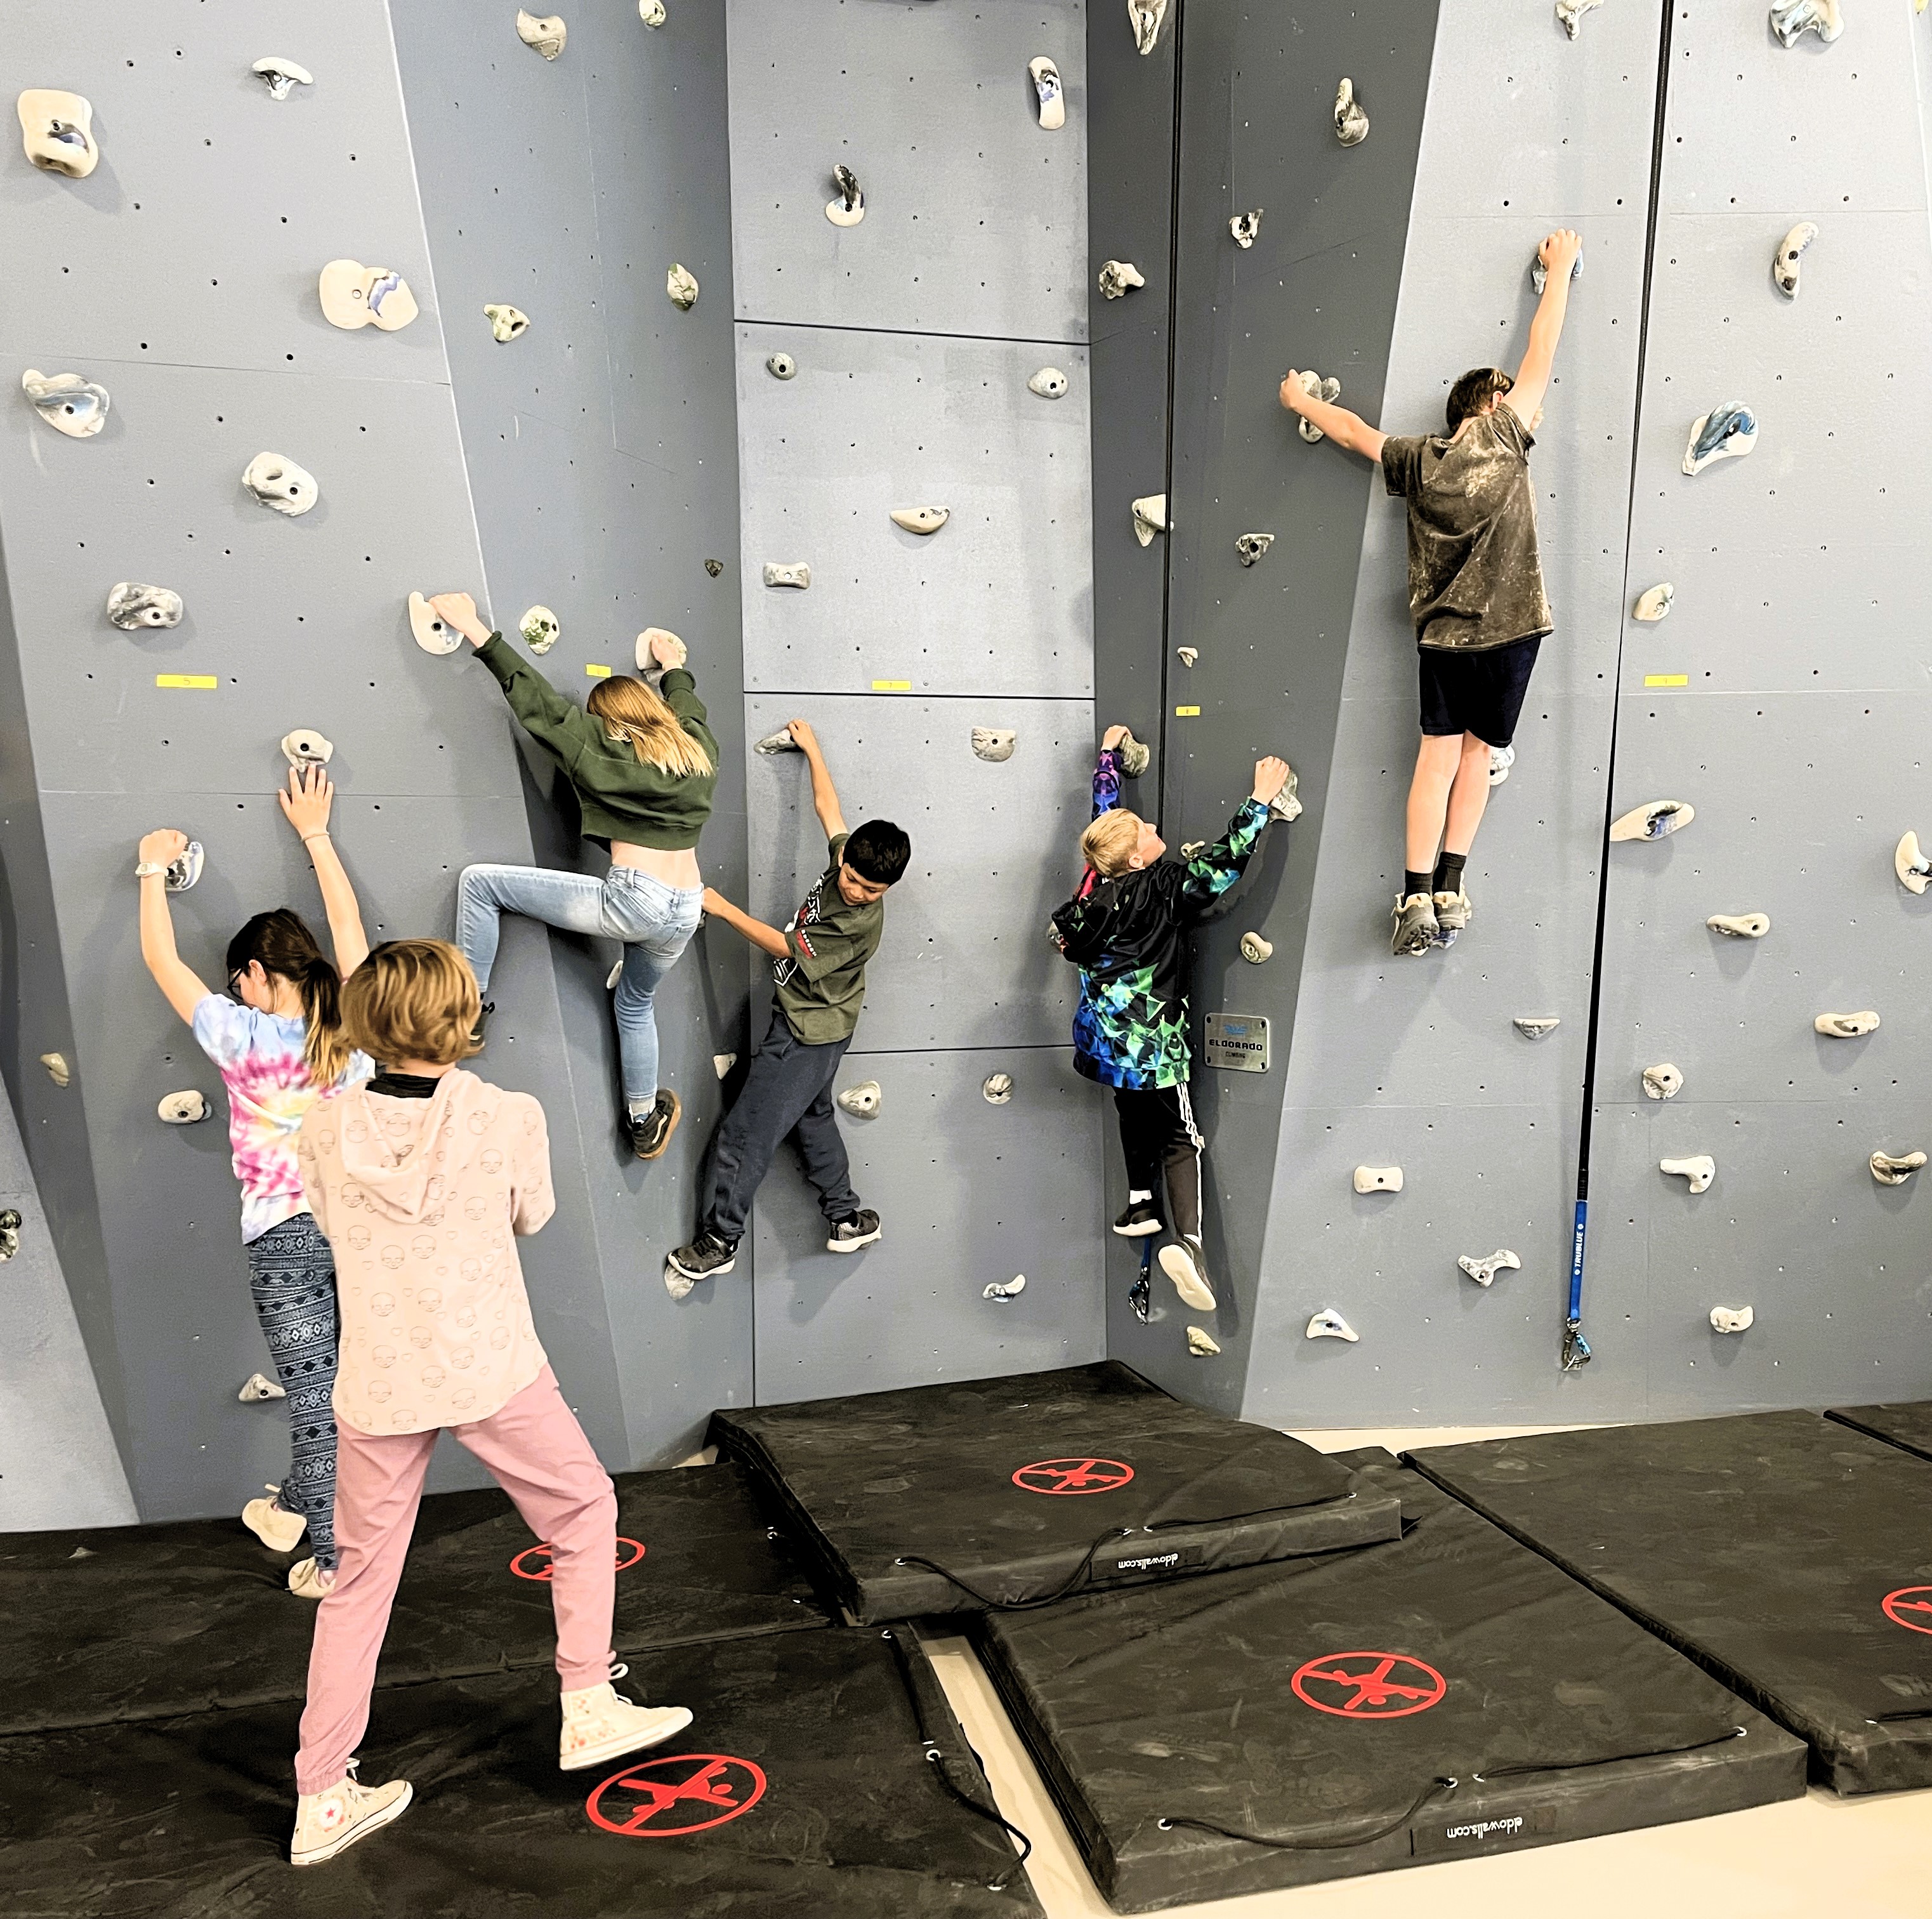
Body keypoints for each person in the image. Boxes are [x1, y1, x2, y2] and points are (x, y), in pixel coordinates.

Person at [288, 939, 693, 1867]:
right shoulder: (508, 1114)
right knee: (585, 1511)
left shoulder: (320, 1128)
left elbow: (324, 1216)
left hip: (380, 1377)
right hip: (490, 1364)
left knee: (356, 1586)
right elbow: (532, 1214)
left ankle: (320, 1795)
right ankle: (587, 1703)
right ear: (459, 1019)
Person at [1278, 227, 1582, 957]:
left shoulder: (1420, 459)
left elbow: (1353, 433)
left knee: (1437, 759)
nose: (1531, 406)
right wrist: (1562, 268)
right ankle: (1451, 884)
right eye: (1514, 399)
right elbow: (1543, 349)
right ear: (1489, 405)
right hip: (1513, 629)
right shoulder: (1505, 435)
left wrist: (1299, 399)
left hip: (1445, 633)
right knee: (1479, 757)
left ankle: (1415, 891)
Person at [135, 767, 372, 1599]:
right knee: (345, 1395)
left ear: (261, 974)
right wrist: (316, 832)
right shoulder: (358, 1024)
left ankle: (337, 1554)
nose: (233, 990)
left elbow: (160, 957)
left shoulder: (241, 1035)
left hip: (284, 1238)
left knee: (317, 1397)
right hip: (362, 1230)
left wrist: (149, 869)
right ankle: (291, 1508)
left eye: (238, 977)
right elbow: (346, 923)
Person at [429, 591, 716, 1160]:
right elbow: (689, 710)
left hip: (636, 901)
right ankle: (642, 1119)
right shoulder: (695, 752)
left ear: (608, 721)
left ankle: (464, 1015)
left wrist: (474, 629)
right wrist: (674, 669)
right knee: (634, 1002)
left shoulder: (600, 747)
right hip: (686, 908)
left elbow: (536, 703)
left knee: (481, 884)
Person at [1051, 727, 1291, 1314]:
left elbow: (1105, 821)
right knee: (1182, 1138)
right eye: (1149, 834)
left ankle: (1139, 1203)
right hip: (1153, 1047)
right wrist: (1259, 800)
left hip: (1105, 1044)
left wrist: (1109, 761)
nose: (1158, 832)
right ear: (1137, 856)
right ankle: (1190, 1244)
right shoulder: (1163, 888)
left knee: (1130, 1112)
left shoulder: (1092, 888)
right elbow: (1223, 865)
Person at [666, 722, 908, 1287]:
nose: (856, 891)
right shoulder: (849, 857)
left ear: (887, 889)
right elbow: (831, 811)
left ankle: (720, 1240)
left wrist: (721, 908)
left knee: (744, 1136)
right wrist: (814, 750)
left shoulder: (855, 923)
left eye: (872, 890)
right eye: (851, 879)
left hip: (805, 1031)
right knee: (813, 1119)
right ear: (847, 862)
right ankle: (846, 1217)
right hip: (826, 1024)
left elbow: (784, 946)